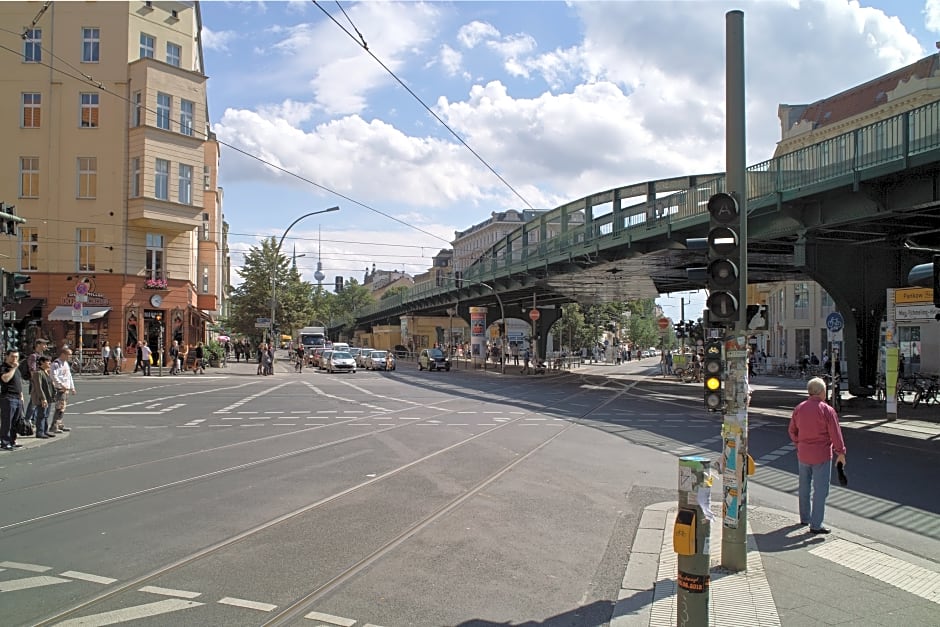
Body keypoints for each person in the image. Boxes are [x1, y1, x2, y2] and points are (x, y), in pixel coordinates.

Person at [788, 377, 847, 535]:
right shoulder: (827, 410)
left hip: (803, 454)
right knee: (821, 490)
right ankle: (816, 524)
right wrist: (840, 452)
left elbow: (792, 430)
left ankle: (804, 518)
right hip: (821, 454)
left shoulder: (799, 408)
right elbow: (835, 434)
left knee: (804, 487)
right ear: (822, 392)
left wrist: (799, 444)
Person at [0, 349, 25, 450]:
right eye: (12, 356)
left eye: (16, 357)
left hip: (17, 397)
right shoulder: (4, 367)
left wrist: (21, 395)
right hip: (8, 397)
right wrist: (13, 368)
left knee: (16, 422)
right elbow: (5, 379)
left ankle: (12, 440)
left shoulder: (16, 369)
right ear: (7, 356)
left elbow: (18, 383)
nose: (14, 359)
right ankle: (5, 442)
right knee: (7, 421)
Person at [50, 348, 77, 434]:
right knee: (59, 408)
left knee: (63, 408)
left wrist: (72, 387)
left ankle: (59, 424)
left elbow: (69, 376)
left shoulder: (65, 363)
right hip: (60, 389)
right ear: (63, 354)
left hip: (66, 389)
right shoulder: (56, 364)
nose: (70, 357)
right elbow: (53, 376)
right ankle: (54, 426)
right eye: (69, 355)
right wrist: (61, 385)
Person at [31, 356, 55, 438]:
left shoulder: (46, 372)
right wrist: (43, 398)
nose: (50, 363)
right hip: (43, 398)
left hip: (48, 397)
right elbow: (38, 387)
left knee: (46, 415)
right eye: (48, 361)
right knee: (41, 415)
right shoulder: (38, 373)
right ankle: (40, 432)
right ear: (42, 362)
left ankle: (45, 430)